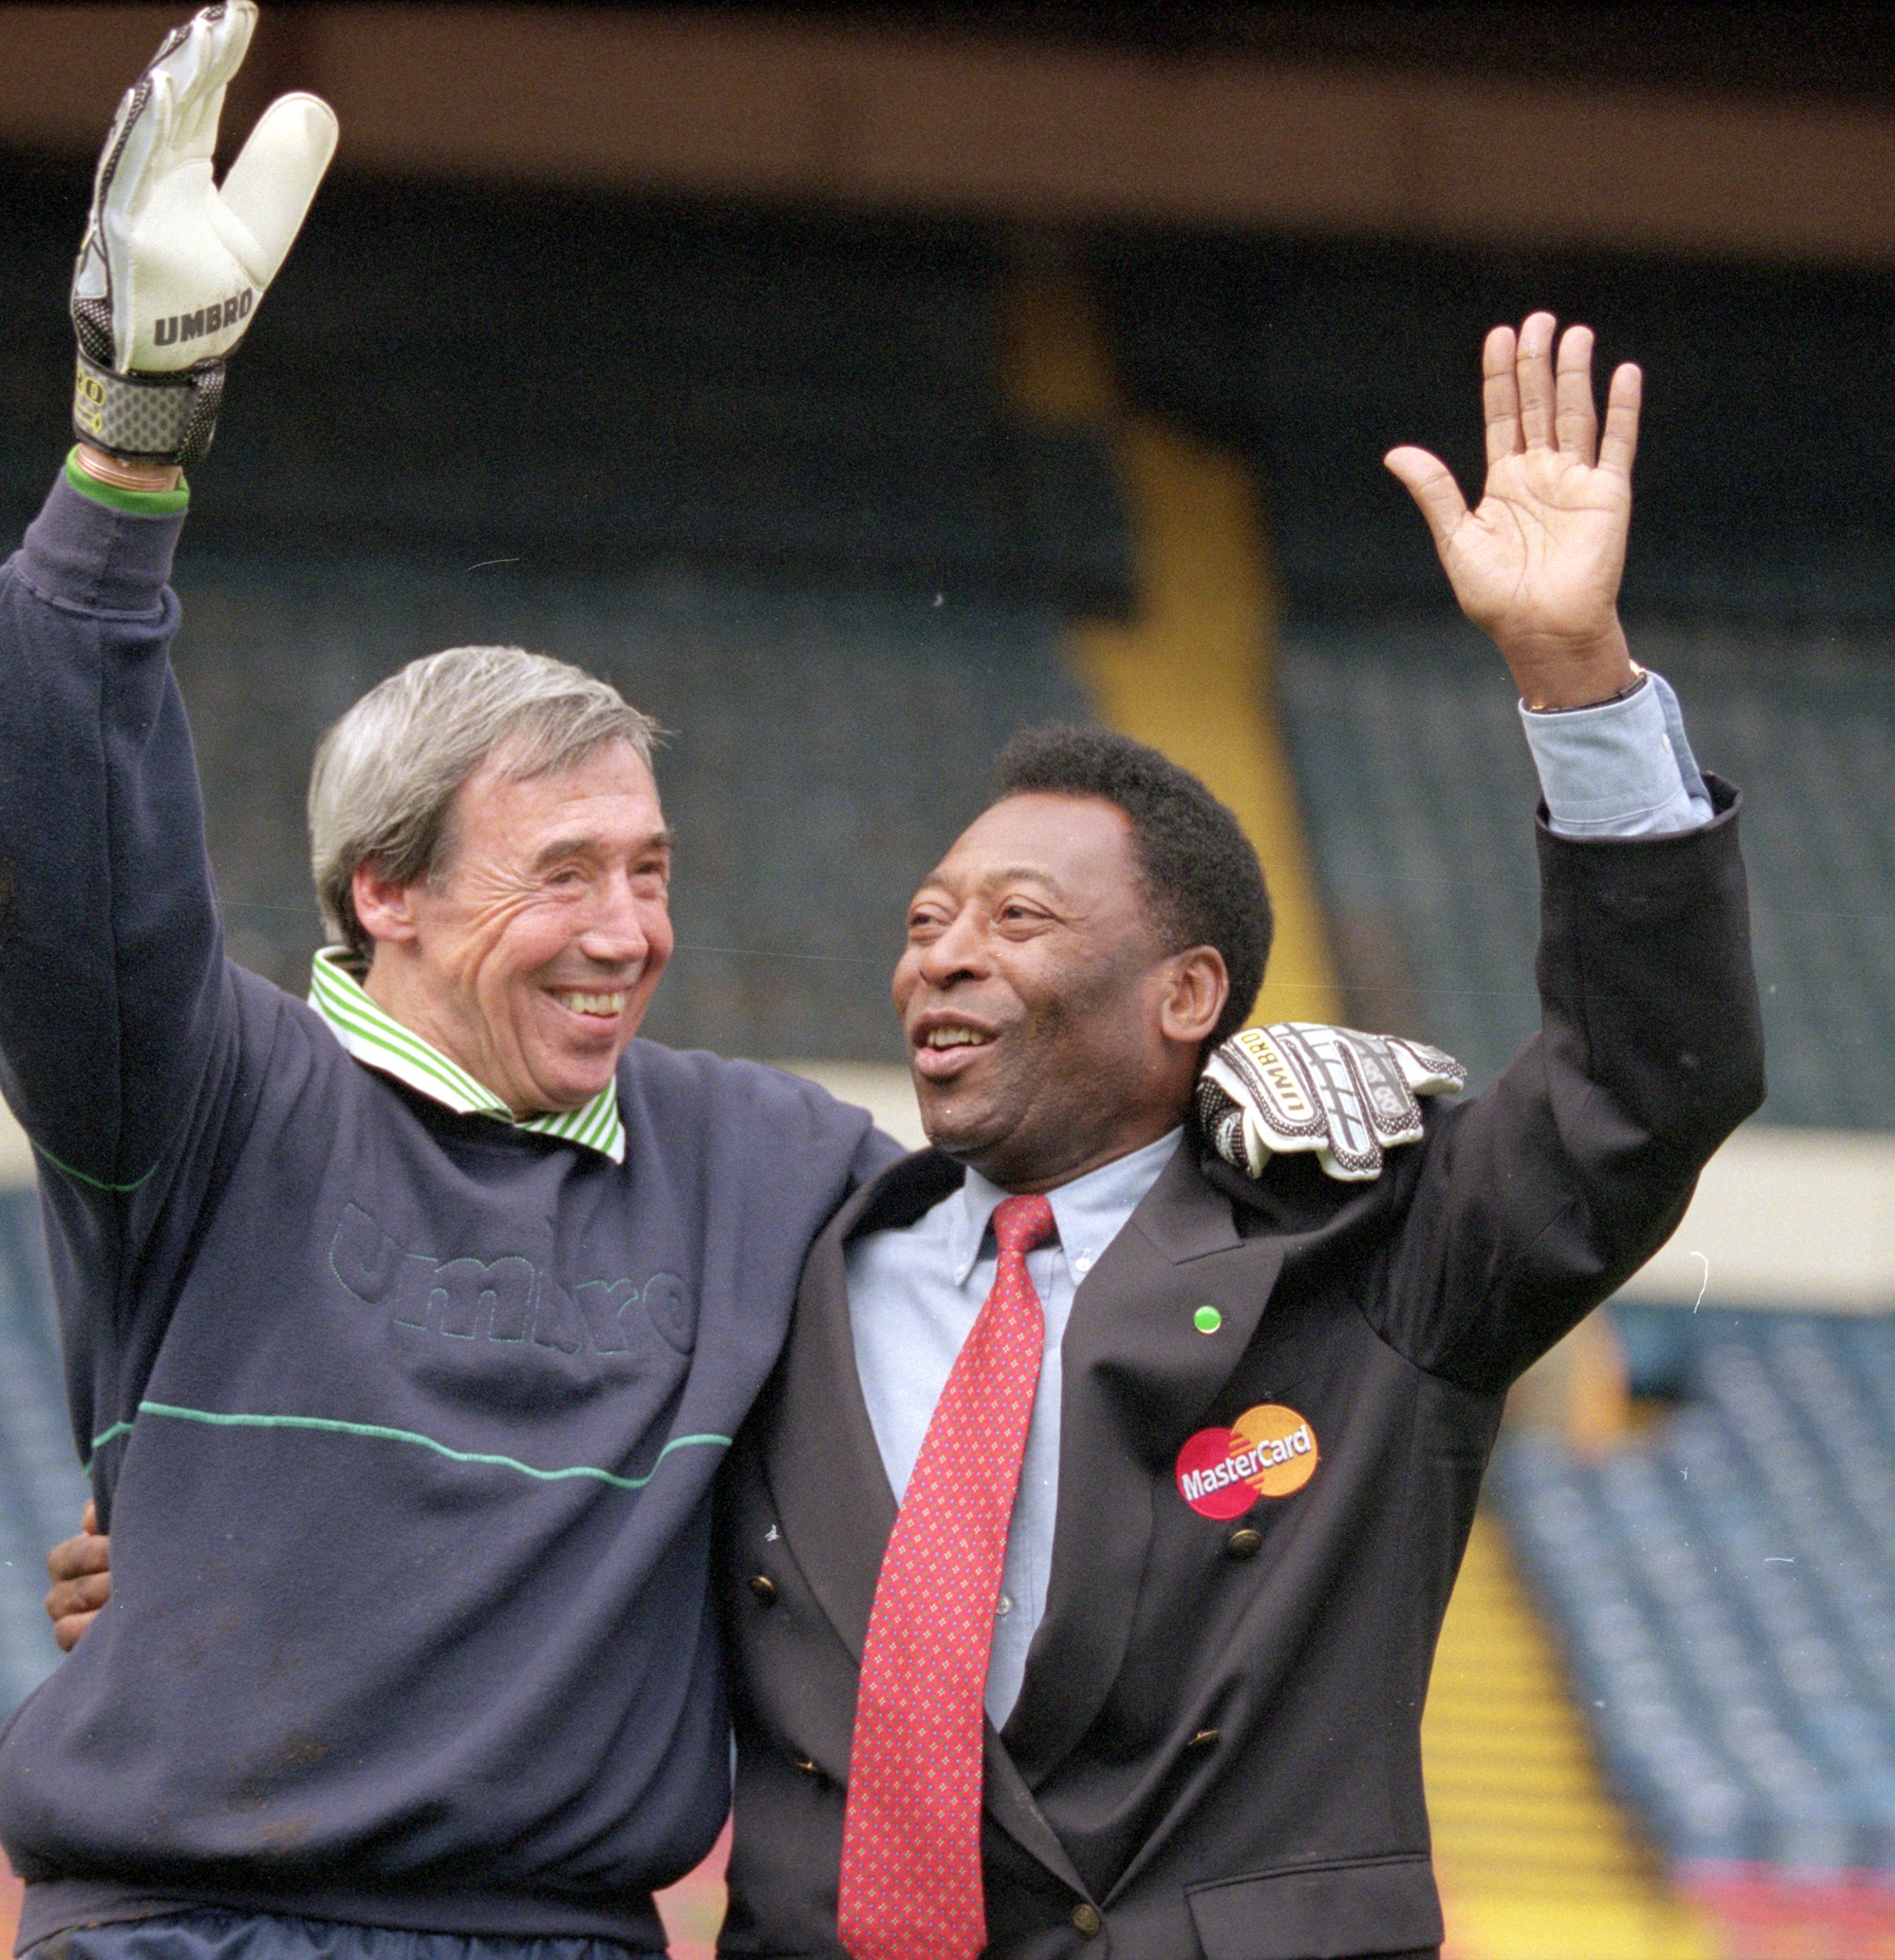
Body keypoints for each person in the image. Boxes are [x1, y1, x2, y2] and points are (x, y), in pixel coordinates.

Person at [0, 8, 1275, 1955]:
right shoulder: (200, 1095)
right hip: (188, 1920)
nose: (626, 927)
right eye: (562, 872)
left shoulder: (768, 1161)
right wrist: (129, 444)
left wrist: (1295, 1085)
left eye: (651, 871)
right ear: (385, 890)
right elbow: (70, 849)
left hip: (569, 1934)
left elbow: (1060, 1188)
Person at [709, 317, 1762, 1958]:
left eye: (1018, 914)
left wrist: (1575, 676)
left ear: (1186, 990)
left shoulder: (1371, 1259)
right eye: (928, 916)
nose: (944, 949)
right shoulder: (790, 1255)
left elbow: (1648, 1080)